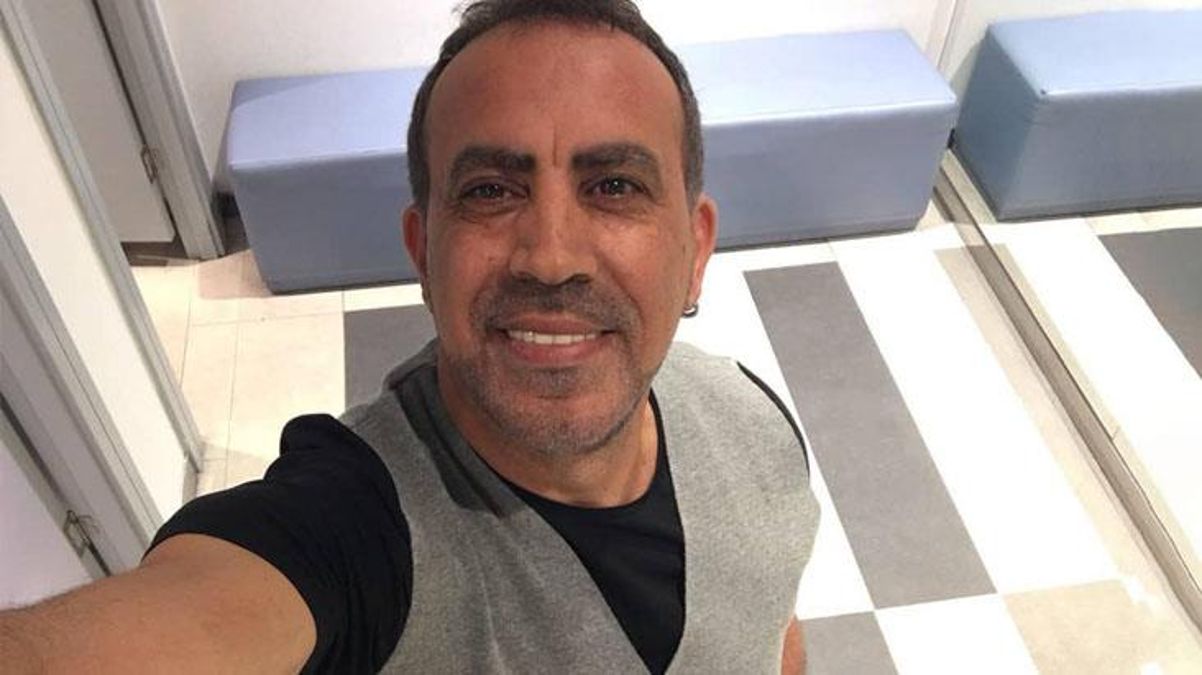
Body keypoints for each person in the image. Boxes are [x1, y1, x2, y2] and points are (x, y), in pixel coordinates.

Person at [0, 0, 819, 672]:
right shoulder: (355, 531)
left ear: (695, 250)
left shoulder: (753, 420)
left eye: (613, 184)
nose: (551, 257)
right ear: (423, 252)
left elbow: (771, 624)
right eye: (491, 190)